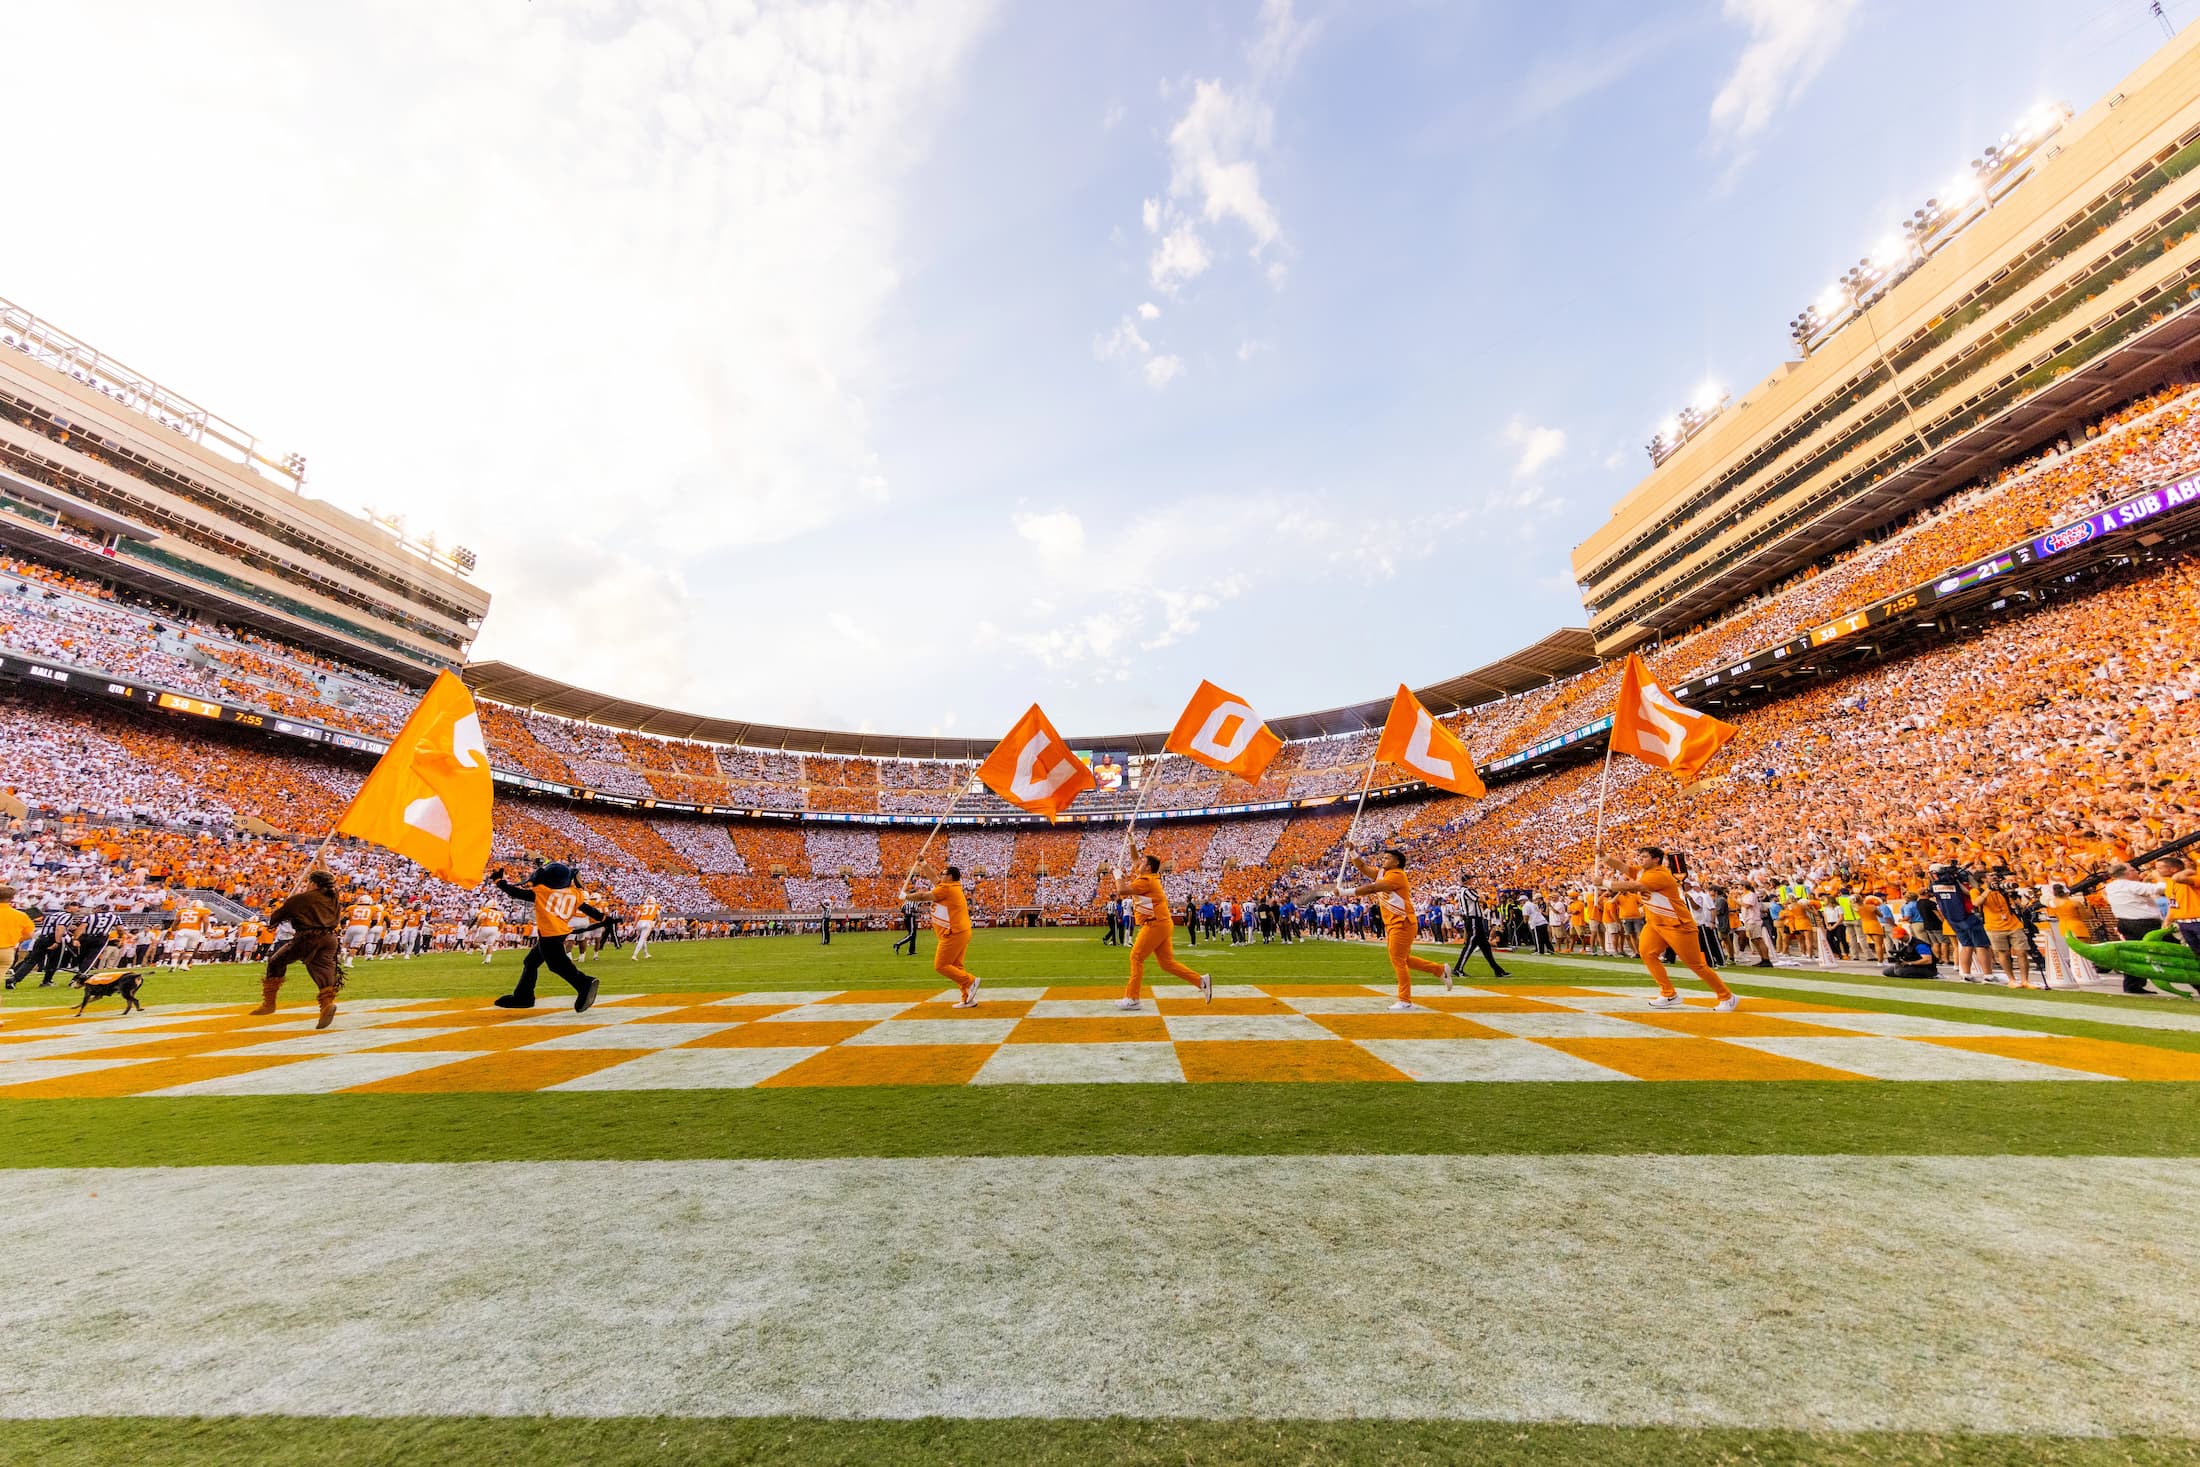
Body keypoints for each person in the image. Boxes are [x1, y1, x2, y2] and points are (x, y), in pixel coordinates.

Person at [1597, 846, 1739, 1012]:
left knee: (1696, 964)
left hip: (1677, 924)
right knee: (1647, 953)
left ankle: (1727, 997)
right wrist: (1605, 857)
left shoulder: (1660, 875)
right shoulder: (1643, 871)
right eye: (1640, 856)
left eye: (1644, 857)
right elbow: (1624, 867)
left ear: (1656, 859)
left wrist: (1605, 883)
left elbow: (1636, 887)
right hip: (1655, 923)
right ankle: (1668, 993)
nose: (1640, 859)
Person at [1341, 847, 1451, 1011]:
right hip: (1394, 923)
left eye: (1387, 858)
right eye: (1383, 857)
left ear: (1397, 861)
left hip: (1402, 922)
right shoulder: (1383, 873)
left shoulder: (1397, 875)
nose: (1383, 860)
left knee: (1398, 960)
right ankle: (1439, 970)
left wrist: (1344, 892)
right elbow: (1362, 867)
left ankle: (1405, 1000)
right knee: (1403, 959)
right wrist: (1352, 852)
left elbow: (1372, 888)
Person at [490, 861, 605, 1013]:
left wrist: (499, 881)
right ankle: (523, 996)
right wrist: (602, 917)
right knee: (531, 962)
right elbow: (582, 898)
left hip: (549, 933)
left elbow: (517, 893)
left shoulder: (543, 892)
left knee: (557, 965)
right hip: (561, 931)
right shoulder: (573, 893)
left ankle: (584, 983)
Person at [1110, 854, 1210, 1011]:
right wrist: (1131, 841)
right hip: (1162, 923)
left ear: (1148, 867)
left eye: (1143, 862)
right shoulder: (1148, 876)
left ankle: (1132, 998)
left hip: (1154, 924)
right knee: (1167, 964)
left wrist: (1117, 876)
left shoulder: (1146, 881)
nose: (1138, 863)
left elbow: (1122, 890)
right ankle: (1201, 982)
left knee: (1136, 957)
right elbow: (1136, 859)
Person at [253, 868, 347, 1030]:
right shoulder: (332, 897)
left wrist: (284, 905)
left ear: (313, 883)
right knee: (322, 969)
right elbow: (330, 881)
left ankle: (269, 1003)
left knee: (276, 961)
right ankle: (326, 1005)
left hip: (308, 937)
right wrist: (322, 860)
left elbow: (275, 919)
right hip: (330, 939)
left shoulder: (301, 899)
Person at [902, 864, 980, 1007]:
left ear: (950, 877)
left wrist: (906, 896)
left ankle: (971, 981)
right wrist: (924, 864)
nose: (941, 876)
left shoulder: (947, 889)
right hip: (961, 932)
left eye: (943, 874)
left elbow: (922, 896)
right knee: (956, 967)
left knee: (941, 965)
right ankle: (967, 998)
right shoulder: (950, 886)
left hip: (953, 933)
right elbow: (934, 878)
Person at [2096, 862, 2164, 994]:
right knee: (2174, 946)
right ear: (2127, 873)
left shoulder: (2111, 887)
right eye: (2134, 870)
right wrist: (2159, 877)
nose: (2137, 872)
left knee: (2133, 955)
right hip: (2144, 923)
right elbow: (2158, 889)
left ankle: (2132, 984)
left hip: (2125, 922)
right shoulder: (2131, 885)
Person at [1448, 877, 1510, 979]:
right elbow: (1480, 899)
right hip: (1473, 919)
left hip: (1475, 919)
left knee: (1486, 947)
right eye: (1471, 880)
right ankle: (1458, 969)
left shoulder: (1464, 891)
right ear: (1467, 881)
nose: (1473, 881)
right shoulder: (1466, 890)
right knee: (1470, 944)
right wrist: (1480, 892)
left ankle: (1498, 970)